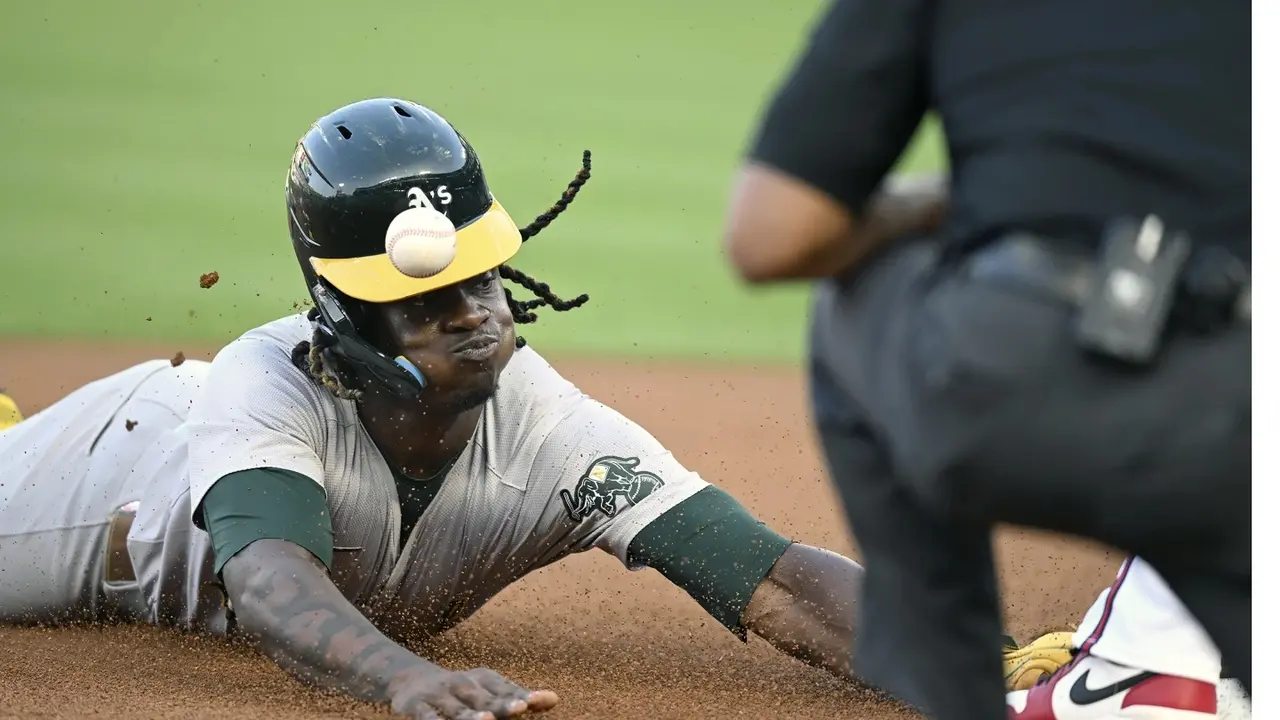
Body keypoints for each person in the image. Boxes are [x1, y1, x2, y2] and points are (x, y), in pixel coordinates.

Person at [0, 97, 1069, 720]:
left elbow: (775, 581)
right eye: (427, 298)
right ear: (342, 317)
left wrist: (979, 660)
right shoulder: (264, 382)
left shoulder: (548, 427)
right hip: (99, 477)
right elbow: (276, 583)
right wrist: (407, 681)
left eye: (484, 278)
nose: (476, 314)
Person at [719, 0, 1250, 717]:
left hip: (1004, 390)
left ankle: (968, 691)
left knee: (858, 288)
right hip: (1235, 414)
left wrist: (952, 204)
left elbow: (772, 237)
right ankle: (1176, 661)